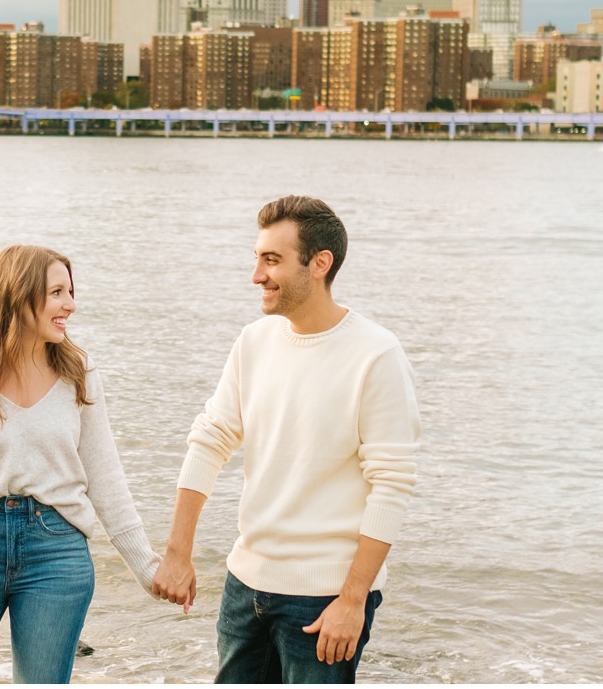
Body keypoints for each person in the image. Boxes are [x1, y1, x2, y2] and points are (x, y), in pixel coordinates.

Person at [152, 195, 421, 685]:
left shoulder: (376, 354)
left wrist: (353, 600)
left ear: (320, 264)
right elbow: (211, 440)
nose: (257, 275)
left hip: (324, 600)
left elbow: (392, 484)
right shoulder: (254, 342)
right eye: (257, 258)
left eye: (272, 260)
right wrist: (178, 551)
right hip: (244, 586)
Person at [0, 245, 161, 685]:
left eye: (70, 292)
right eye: (57, 292)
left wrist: (148, 569)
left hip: (56, 553)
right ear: (17, 296)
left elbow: (105, 478)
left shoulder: (78, 371)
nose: (70, 305)